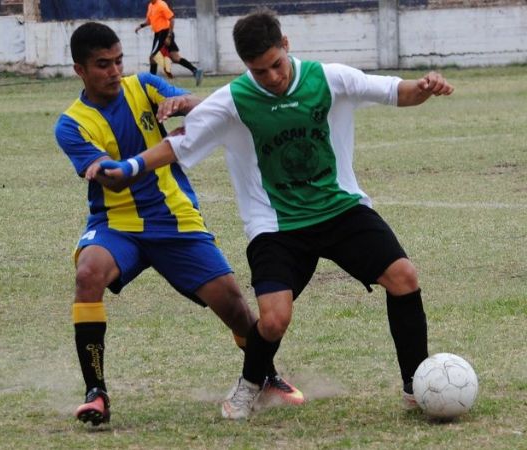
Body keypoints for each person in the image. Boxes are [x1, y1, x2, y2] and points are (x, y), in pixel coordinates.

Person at [102, 8, 454, 417]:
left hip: (341, 209)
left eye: (276, 65)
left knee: (404, 278)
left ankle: (415, 383)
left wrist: (427, 86)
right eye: (259, 70)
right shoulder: (234, 99)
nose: (271, 77)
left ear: (286, 46)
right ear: (245, 66)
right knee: (272, 320)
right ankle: (251, 384)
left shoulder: (328, 78)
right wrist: (129, 168)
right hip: (276, 225)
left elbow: (397, 91)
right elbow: (178, 145)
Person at [55, 22, 302, 425]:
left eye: (118, 61)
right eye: (103, 65)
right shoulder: (71, 124)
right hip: (117, 224)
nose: (115, 71)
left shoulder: (145, 86)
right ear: (80, 69)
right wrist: (109, 169)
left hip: (175, 220)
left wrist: (183, 104)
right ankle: (96, 392)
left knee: (236, 308)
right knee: (88, 273)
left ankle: (266, 376)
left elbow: (198, 104)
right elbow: (103, 172)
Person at [135, 0, 203, 86]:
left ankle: (151, 82)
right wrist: (140, 26)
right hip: (159, 34)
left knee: (152, 58)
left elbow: (171, 19)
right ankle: (196, 71)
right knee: (175, 58)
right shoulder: (151, 6)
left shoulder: (161, 5)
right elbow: (149, 21)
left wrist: (169, 36)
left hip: (164, 33)